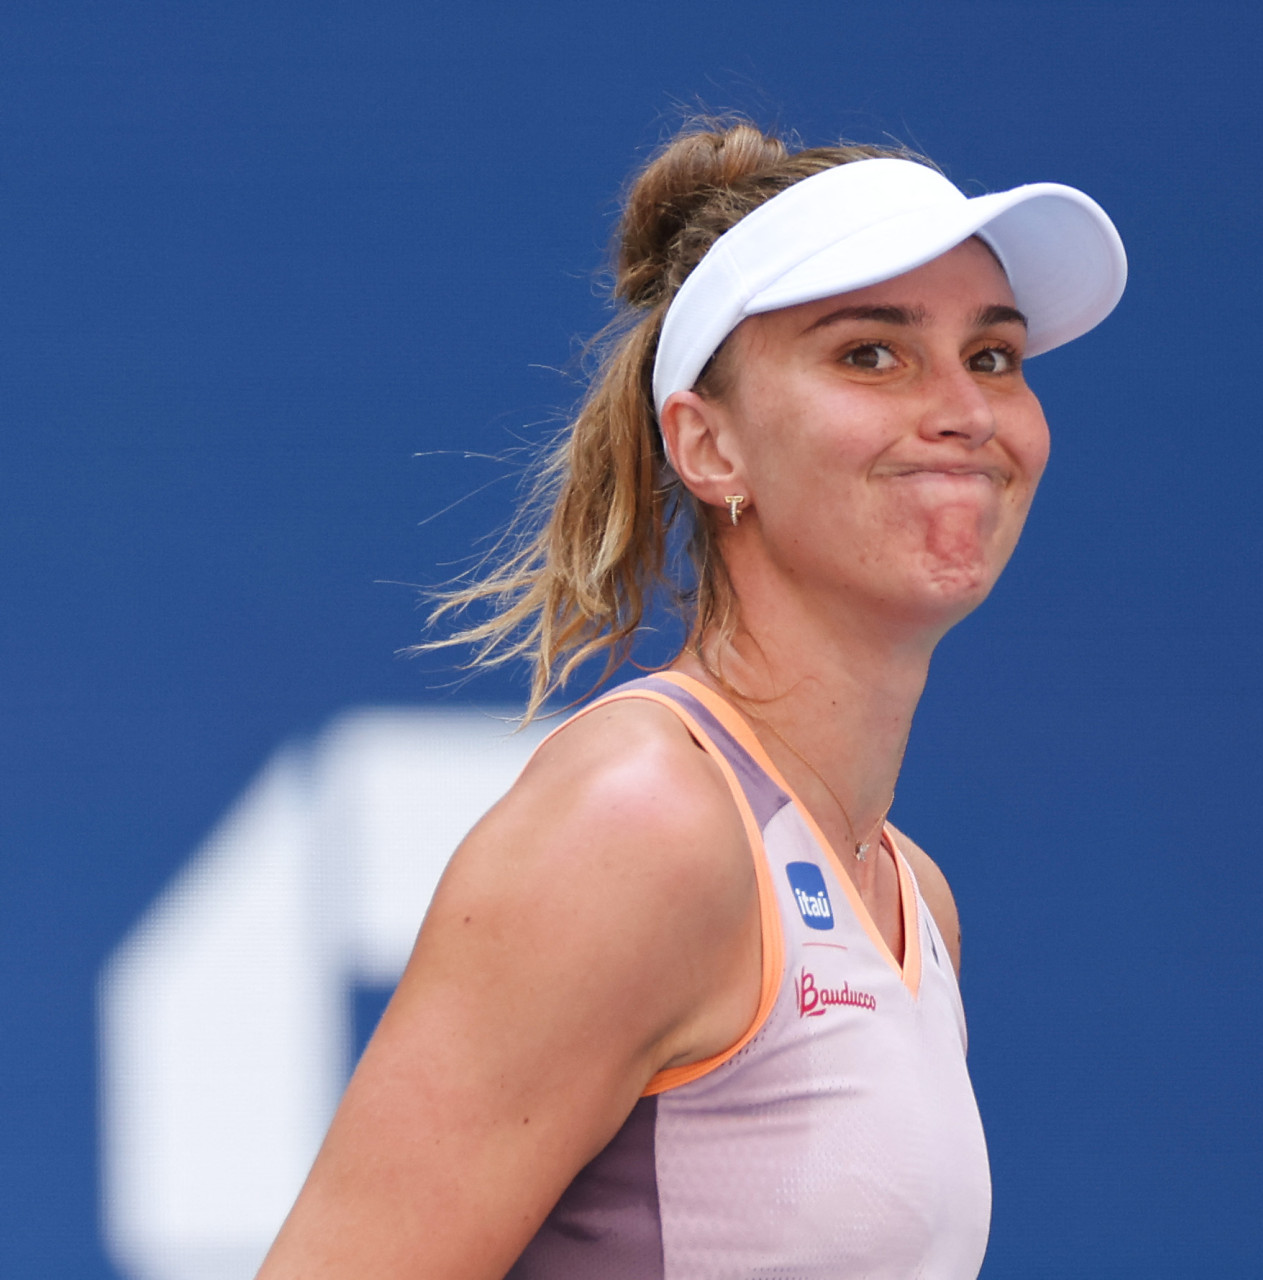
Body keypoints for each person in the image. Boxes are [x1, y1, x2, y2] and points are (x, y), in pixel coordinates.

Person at [256, 118, 1126, 1280]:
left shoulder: (914, 896)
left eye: (994, 355)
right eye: (872, 353)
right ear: (709, 448)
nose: (965, 410)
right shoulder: (642, 822)